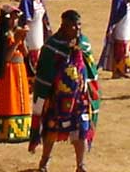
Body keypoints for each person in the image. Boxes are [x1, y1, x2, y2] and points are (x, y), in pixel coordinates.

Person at [29, 10, 99, 172]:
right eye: (73, 25)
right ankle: (44, 162)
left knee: (81, 128)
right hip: (57, 97)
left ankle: (80, 165)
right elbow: (44, 74)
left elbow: (91, 71)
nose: (77, 28)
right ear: (64, 26)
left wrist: (90, 91)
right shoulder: (52, 46)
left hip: (79, 98)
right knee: (51, 129)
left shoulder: (84, 44)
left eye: (79, 24)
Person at [0, 6, 30, 144]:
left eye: (16, 17)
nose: (15, 20)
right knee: (10, 98)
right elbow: (6, 57)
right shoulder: (3, 35)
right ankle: (7, 131)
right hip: (9, 71)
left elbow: (25, 54)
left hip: (20, 69)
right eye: (12, 17)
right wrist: (17, 41)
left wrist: (22, 41)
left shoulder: (16, 32)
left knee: (21, 98)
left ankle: (22, 130)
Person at [99, 0, 130, 78]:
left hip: (127, 28)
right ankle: (116, 71)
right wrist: (112, 27)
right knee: (119, 50)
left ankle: (123, 70)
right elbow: (114, 14)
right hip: (120, 29)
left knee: (126, 50)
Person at [19, 0, 50, 71]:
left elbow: (44, 17)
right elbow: (25, 17)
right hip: (30, 30)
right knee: (33, 48)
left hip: (39, 28)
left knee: (40, 47)